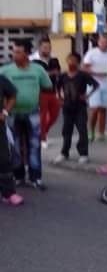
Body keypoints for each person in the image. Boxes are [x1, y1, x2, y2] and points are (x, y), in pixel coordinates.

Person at [0, 40, 53, 190]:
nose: (14, 54)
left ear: (27, 54)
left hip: (32, 113)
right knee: (14, 147)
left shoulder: (38, 70)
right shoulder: (5, 71)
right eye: (13, 51)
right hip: (12, 114)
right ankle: (19, 176)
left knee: (35, 146)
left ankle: (36, 177)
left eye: (18, 52)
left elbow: (47, 87)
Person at [53, 52, 99, 164]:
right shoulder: (63, 76)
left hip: (80, 107)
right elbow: (57, 87)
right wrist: (59, 98)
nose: (71, 62)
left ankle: (83, 154)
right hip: (67, 107)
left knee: (82, 130)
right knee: (66, 131)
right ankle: (64, 153)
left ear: (78, 63)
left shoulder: (83, 75)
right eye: (69, 60)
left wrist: (87, 95)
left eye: (73, 60)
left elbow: (96, 85)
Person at [83, 35, 107, 142]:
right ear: (98, 42)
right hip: (94, 84)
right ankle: (90, 132)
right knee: (95, 108)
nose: (104, 44)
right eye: (102, 42)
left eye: (106, 42)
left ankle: (101, 133)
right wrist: (96, 73)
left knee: (103, 109)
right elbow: (84, 68)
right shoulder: (91, 53)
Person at [30, 37, 61, 149]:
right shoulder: (33, 60)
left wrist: (60, 92)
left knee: (54, 114)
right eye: (45, 47)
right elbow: (36, 76)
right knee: (42, 116)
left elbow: (58, 74)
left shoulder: (54, 59)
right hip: (40, 91)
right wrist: (50, 73)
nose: (47, 50)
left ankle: (43, 133)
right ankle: (42, 138)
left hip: (52, 91)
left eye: (49, 47)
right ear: (39, 47)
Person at [0, 73, 22, 206]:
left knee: (3, 159)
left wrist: (5, 112)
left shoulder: (1, 80)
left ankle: (8, 193)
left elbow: (13, 96)